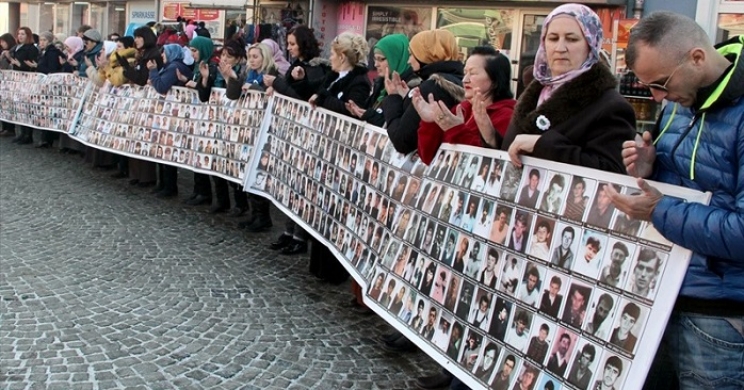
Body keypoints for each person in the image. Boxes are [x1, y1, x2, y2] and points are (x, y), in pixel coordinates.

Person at [501, 3, 635, 174]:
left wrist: (541, 144)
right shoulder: (535, 93)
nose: (560, 48)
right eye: (553, 38)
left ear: (591, 45)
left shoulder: (610, 106)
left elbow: (609, 171)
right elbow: (513, 150)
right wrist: (489, 134)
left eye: (572, 39)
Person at [268, 26, 329, 256]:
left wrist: (277, 84)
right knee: (290, 184)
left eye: (293, 44)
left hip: (307, 135)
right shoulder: (297, 65)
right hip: (293, 133)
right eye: (289, 44)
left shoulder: (314, 68)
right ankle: (289, 230)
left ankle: (299, 236)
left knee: (302, 187)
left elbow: (301, 99)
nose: (290, 48)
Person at [414, 46, 515, 163]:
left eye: (473, 73)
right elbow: (427, 158)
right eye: (465, 73)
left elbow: (483, 165)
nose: (465, 80)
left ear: (495, 80)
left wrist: (457, 130)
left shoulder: (507, 116)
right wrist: (430, 123)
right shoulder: (462, 108)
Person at [383, 29, 464, 154]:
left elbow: (402, 140)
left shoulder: (433, 87)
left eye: (412, 54)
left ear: (426, 55)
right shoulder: (459, 79)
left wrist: (393, 98)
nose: (409, 61)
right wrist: (407, 99)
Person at [224, 41, 278, 228]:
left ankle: (263, 217)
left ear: (265, 57)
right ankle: (255, 214)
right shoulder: (248, 72)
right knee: (247, 170)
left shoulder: (271, 73)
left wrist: (253, 88)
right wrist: (232, 78)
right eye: (250, 57)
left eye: (256, 57)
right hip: (248, 127)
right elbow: (233, 95)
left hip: (263, 128)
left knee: (259, 171)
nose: (252, 60)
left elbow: (270, 96)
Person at [147, 43, 192, 198]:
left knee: (167, 150)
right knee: (162, 148)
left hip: (173, 114)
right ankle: (164, 184)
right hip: (167, 114)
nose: (162, 55)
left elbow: (161, 86)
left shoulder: (174, 67)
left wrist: (153, 72)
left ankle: (169, 186)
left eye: (164, 52)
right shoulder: (171, 66)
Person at [345, 34, 418, 127]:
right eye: (375, 59)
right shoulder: (381, 83)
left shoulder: (411, 87)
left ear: (396, 58)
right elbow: (373, 112)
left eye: (381, 59)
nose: (376, 64)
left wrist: (370, 116)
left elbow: (400, 128)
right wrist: (359, 111)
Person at [118, 26, 160, 188]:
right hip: (138, 100)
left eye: (138, 37)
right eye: (135, 37)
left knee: (144, 137)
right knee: (134, 136)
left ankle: (146, 177)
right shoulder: (142, 54)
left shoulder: (153, 54)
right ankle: (136, 174)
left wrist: (127, 70)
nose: (135, 40)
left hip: (148, 101)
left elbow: (142, 79)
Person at [28, 31, 64, 148]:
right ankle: (45, 138)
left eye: (44, 40)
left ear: (49, 41)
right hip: (44, 86)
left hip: (51, 86)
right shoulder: (45, 52)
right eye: (40, 40)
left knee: (48, 112)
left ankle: (48, 139)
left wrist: (37, 66)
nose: (41, 42)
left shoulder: (52, 52)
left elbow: (51, 69)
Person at [6, 27, 38, 144]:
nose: (20, 36)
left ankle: (27, 135)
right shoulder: (16, 47)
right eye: (19, 34)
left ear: (28, 36)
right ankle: (21, 132)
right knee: (20, 108)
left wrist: (19, 64)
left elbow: (32, 65)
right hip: (17, 80)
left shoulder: (31, 48)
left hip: (27, 79)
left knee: (27, 108)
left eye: (23, 34)